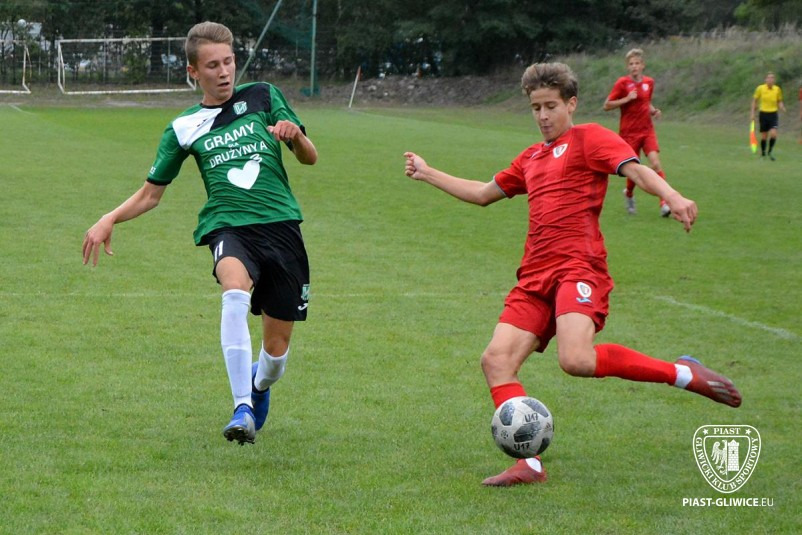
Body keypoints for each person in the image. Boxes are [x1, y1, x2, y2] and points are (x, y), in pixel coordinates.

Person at [403, 62, 741, 487]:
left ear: (571, 104)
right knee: (496, 360)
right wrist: (427, 172)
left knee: (576, 359)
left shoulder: (591, 138)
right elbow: (484, 193)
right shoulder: (531, 157)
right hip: (534, 277)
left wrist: (671, 195)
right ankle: (529, 464)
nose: (543, 116)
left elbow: (635, 169)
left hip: (578, 267)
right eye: (536, 108)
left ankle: (684, 373)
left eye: (551, 106)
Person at [82, 21, 318, 446]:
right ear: (193, 72)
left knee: (276, 357)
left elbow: (309, 158)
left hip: (282, 227)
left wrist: (295, 135)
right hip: (227, 226)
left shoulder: (264, 96)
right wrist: (109, 218)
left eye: (229, 61)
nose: (224, 72)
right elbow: (151, 194)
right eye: (212, 65)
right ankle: (242, 408)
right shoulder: (184, 127)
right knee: (234, 290)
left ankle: (258, 385)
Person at [604, 48, 670, 217]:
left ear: (642, 65)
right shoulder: (622, 83)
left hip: (647, 131)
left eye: (637, 63)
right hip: (629, 134)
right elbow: (607, 105)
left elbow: (646, 102)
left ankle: (664, 203)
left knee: (655, 164)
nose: (634, 66)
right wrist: (626, 99)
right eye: (631, 64)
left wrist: (653, 111)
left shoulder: (649, 82)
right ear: (628, 66)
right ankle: (629, 194)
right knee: (634, 170)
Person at [750, 72, 785, 160]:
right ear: (765, 79)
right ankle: (763, 154)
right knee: (764, 136)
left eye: (772, 78)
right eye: (768, 78)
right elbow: (755, 100)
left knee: (773, 134)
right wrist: (752, 113)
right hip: (763, 114)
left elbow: (779, 100)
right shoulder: (760, 88)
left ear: (774, 80)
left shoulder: (777, 89)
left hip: (773, 114)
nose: (770, 79)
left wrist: (781, 106)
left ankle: (770, 152)